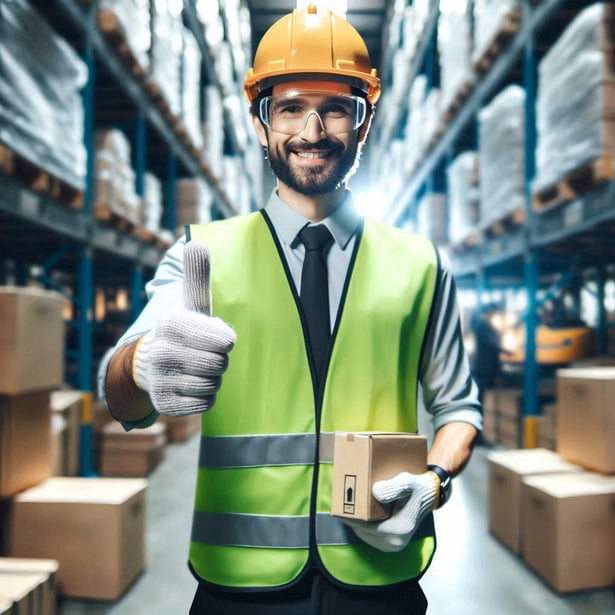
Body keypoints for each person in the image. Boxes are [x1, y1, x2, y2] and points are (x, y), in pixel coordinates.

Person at [98, 5, 482, 614]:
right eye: (290, 108)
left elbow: (458, 408)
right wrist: (144, 365)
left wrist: (432, 483)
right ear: (260, 123)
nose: (312, 130)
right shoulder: (203, 254)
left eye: (335, 108)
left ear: (364, 121)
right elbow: (119, 397)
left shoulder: (421, 264)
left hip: (379, 575)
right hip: (238, 582)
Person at [470, 302, 507, 403]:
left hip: (483, 365)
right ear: (490, 311)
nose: (494, 315)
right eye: (494, 313)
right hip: (484, 366)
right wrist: (506, 351)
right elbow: (492, 345)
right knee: (479, 395)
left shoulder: (482, 323)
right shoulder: (483, 324)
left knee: (480, 394)